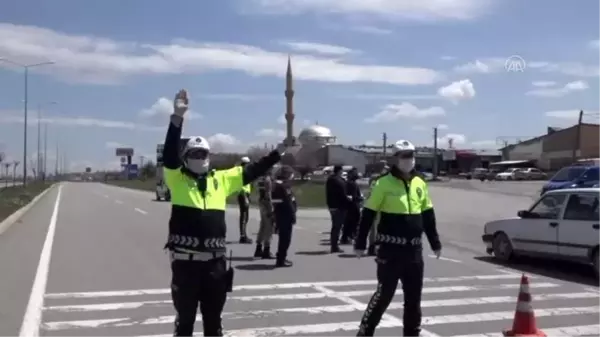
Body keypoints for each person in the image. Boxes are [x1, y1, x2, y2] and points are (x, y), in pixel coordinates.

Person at [162, 89, 286, 337]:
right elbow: (169, 155)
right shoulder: (177, 180)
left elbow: (253, 170)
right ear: (185, 159)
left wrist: (278, 152)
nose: (200, 158)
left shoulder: (222, 180)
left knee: (214, 324)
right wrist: (177, 118)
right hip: (186, 267)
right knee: (185, 324)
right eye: (194, 154)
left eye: (204, 153)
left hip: (215, 267)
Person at [353, 139, 442, 337]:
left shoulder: (420, 182)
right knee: (384, 295)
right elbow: (368, 214)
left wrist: (435, 242)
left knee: (413, 300)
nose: (408, 160)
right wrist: (360, 243)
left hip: (414, 252)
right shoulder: (383, 183)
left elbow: (428, 215)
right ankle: (365, 331)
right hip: (390, 251)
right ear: (395, 158)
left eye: (411, 155)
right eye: (403, 156)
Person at [271, 166, 297, 267]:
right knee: (285, 239)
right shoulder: (283, 186)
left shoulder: (277, 185)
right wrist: (293, 215)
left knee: (283, 238)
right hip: (285, 216)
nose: (292, 176)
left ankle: (281, 258)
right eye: (290, 174)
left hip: (279, 214)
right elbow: (288, 202)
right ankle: (281, 259)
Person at [367, 165, 389, 256]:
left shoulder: (373, 181)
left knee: (374, 228)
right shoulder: (380, 182)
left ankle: (373, 247)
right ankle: (374, 247)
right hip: (378, 207)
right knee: (377, 229)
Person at [326, 165, 348, 253]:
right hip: (338, 206)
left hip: (332, 205)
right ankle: (334, 246)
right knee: (337, 227)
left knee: (335, 226)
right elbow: (342, 193)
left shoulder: (331, 180)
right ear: (339, 171)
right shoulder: (337, 181)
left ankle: (334, 245)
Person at [254, 167, 275, 259]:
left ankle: (258, 248)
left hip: (261, 203)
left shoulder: (260, 179)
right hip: (266, 204)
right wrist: (271, 209)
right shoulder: (267, 179)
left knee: (263, 226)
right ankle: (266, 249)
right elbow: (268, 195)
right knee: (269, 227)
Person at [341, 167, 362, 244]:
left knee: (348, 222)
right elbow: (353, 196)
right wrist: (360, 198)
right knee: (353, 222)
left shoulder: (349, 183)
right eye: (355, 173)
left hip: (349, 206)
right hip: (353, 206)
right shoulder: (351, 184)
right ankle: (350, 236)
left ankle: (346, 237)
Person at [237, 157, 253, 244]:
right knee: (244, 216)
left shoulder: (244, 171)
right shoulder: (242, 172)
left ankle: (244, 235)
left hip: (245, 194)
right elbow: (241, 185)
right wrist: (245, 197)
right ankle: (242, 236)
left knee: (245, 216)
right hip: (243, 195)